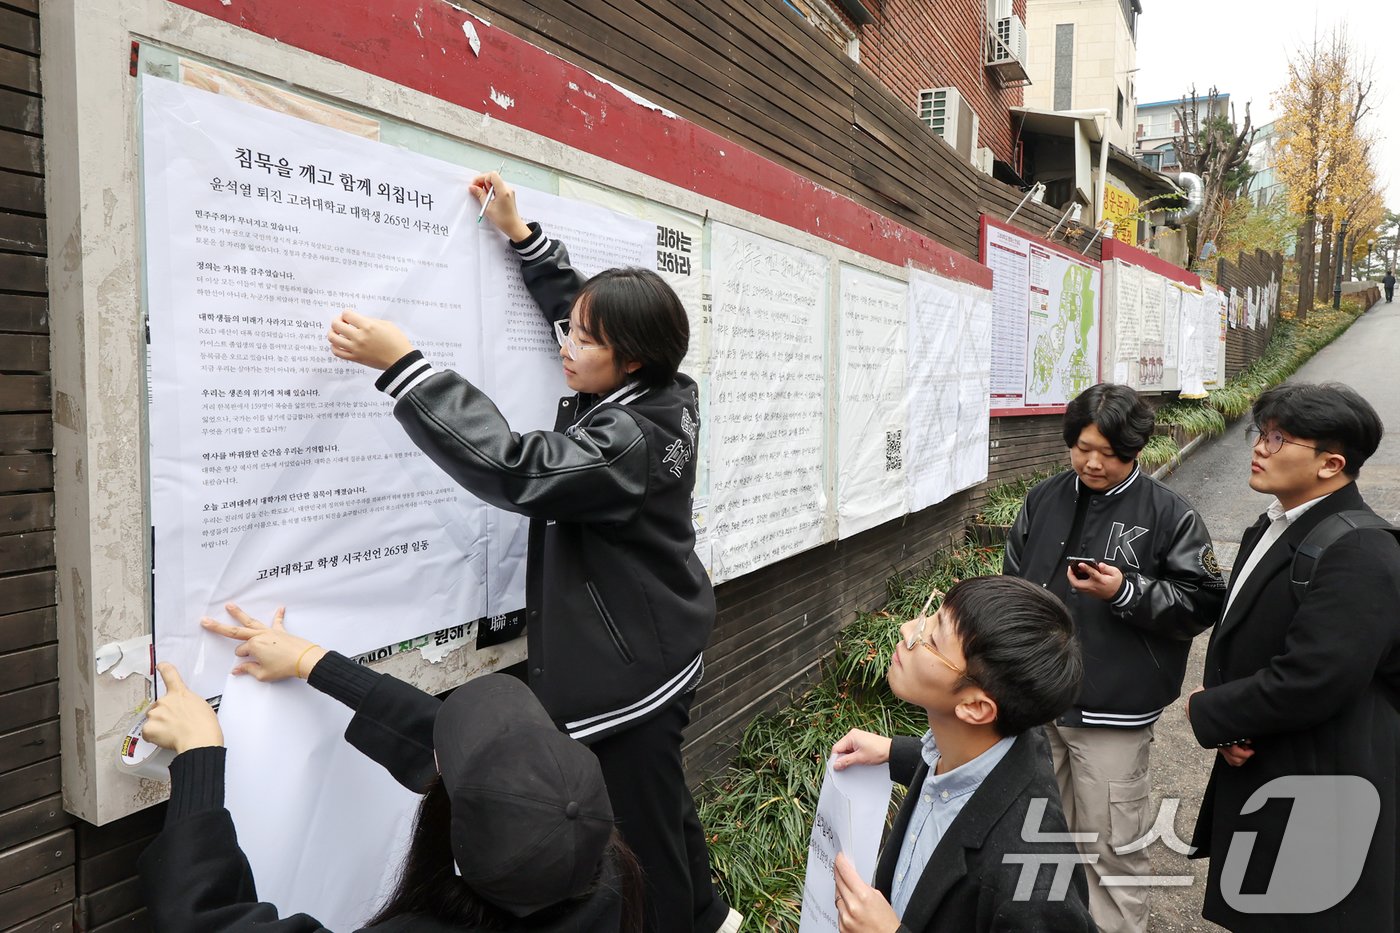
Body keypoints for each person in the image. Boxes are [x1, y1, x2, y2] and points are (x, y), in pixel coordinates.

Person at [324, 172, 735, 933]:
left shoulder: (628, 440)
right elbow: (588, 308)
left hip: (631, 674)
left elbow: (518, 467)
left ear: (631, 360)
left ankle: (678, 920)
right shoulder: (663, 390)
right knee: (661, 802)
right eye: (571, 329)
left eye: (584, 339)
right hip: (659, 639)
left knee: (639, 833)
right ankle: (707, 913)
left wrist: (406, 365)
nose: (566, 344)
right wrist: (524, 239)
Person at [137, 607, 643, 932]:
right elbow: (454, 753)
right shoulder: (598, 873)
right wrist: (315, 662)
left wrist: (198, 757)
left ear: (455, 838)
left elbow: (205, 922)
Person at [1002, 382, 1226, 933]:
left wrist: (1127, 592)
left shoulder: (1170, 514)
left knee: (1111, 848)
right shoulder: (1044, 498)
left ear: (1137, 450)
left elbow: (1202, 602)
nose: (1093, 462)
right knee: (1041, 834)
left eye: (1109, 452)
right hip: (1038, 700)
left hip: (1113, 708)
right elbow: (1010, 583)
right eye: (1082, 448)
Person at [1186, 383, 1400, 931]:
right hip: (1270, 758)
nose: (1260, 446)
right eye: (1262, 433)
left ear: (1331, 464)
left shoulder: (1361, 549)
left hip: (1321, 777)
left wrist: (1214, 713)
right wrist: (1236, 728)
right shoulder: (1274, 523)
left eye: (1280, 438)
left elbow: (1317, 677)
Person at [826, 575, 1094, 932]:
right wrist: (894, 752)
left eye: (932, 640)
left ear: (976, 708)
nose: (907, 630)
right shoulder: (984, 740)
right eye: (932, 615)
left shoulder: (1035, 876)